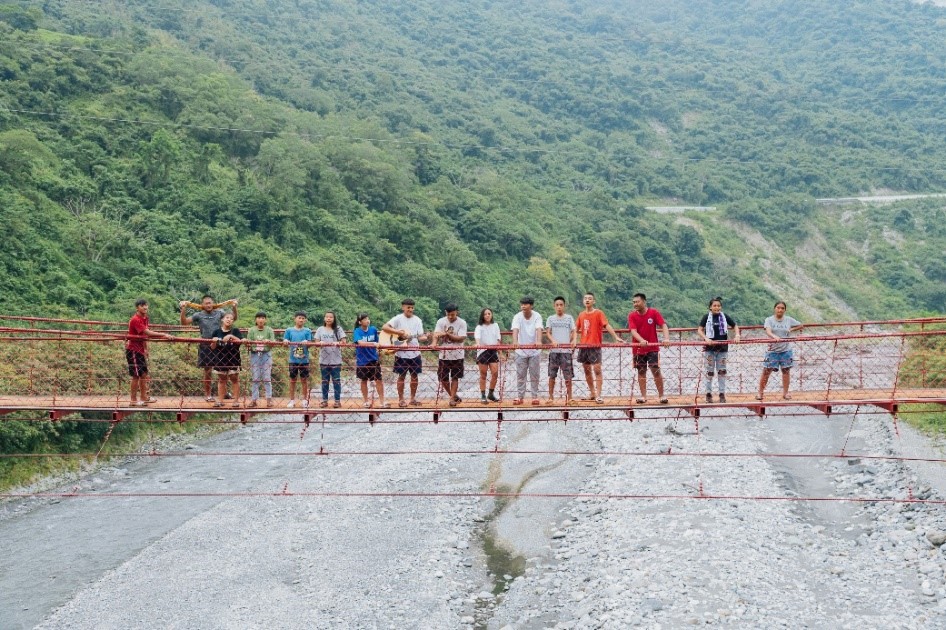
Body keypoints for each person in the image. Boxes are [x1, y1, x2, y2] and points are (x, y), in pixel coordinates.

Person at [180, 295, 238, 402]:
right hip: (205, 345)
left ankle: (224, 393)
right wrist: (183, 308)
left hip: (220, 345)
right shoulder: (199, 315)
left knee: (223, 370)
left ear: (213, 303)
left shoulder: (219, 312)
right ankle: (208, 395)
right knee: (207, 371)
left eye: (210, 303)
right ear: (202, 305)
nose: (208, 305)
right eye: (206, 303)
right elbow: (184, 322)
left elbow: (233, 318)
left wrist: (234, 307)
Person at [575, 292, 626, 404]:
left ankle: (599, 395)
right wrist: (572, 342)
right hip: (584, 346)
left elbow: (606, 325)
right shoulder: (581, 314)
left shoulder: (598, 313)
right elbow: (576, 329)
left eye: (590, 299)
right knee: (587, 370)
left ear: (594, 301)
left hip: (595, 345)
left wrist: (616, 337)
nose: (587, 300)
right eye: (585, 298)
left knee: (597, 369)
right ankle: (592, 393)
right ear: (583, 301)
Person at [125, 299, 173, 406]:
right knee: (136, 375)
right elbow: (147, 332)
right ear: (137, 308)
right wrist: (163, 334)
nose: (145, 307)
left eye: (146, 305)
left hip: (140, 349)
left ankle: (144, 397)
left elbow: (144, 335)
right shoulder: (135, 319)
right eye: (142, 306)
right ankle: (133, 400)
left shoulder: (145, 318)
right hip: (133, 350)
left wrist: (146, 349)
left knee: (144, 374)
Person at [382, 299, 429, 407]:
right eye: (408, 307)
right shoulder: (398, 318)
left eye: (412, 308)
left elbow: (421, 336)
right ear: (403, 307)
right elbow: (385, 327)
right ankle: (401, 399)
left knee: (414, 376)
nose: (410, 309)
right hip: (401, 353)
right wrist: (398, 332)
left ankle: (412, 399)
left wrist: (425, 337)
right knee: (401, 376)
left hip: (415, 352)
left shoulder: (417, 320)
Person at [628, 293, 670, 404]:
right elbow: (633, 331)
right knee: (641, 371)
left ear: (644, 301)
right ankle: (643, 396)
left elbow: (663, 325)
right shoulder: (632, 315)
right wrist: (641, 340)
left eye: (637, 302)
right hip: (638, 348)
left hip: (652, 347)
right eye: (634, 302)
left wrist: (666, 338)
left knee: (655, 370)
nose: (635, 304)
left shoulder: (653, 312)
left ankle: (662, 395)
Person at [757, 301, 804, 401]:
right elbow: (768, 330)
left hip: (786, 350)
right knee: (766, 371)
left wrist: (791, 330)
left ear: (785, 310)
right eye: (778, 308)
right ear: (775, 309)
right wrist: (774, 336)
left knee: (786, 371)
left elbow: (801, 325)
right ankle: (760, 393)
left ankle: (786, 393)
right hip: (772, 350)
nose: (780, 310)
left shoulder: (788, 320)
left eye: (782, 308)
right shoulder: (769, 320)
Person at [697, 297, 740, 403]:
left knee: (722, 371)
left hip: (722, 349)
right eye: (714, 306)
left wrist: (737, 335)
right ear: (710, 307)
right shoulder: (706, 317)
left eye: (719, 306)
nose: (717, 307)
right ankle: (708, 394)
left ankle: (722, 394)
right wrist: (706, 338)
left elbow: (735, 326)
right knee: (709, 372)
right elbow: (700, 330)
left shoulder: (724, 317)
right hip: (709, 348)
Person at [433, 304, 468, 407]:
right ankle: (453, 395)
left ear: (457, 312)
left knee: (455, 377)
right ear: (445, 313)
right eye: (448, 314)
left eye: (452, 315)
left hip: (458, 354)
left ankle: (452, 399)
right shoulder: (440, 321)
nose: (450, 317)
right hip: (444, 355)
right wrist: (434, 343)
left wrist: (447, 334)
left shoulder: (462, 323)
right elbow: (436, 334)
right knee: (442, 378)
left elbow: (461, 338)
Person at [511, 296, 544, 405]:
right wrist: (515, 341)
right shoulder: (517, 317)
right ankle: (520, 397)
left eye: (526, 304)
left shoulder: (537, 316)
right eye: (522, 304)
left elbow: (539, 328)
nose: (523, 306)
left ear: (531, 306)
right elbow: (515, 329)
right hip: (521, 351)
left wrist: (539, 341)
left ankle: (534, 396)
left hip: (534, 351)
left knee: (535, 374)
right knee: (521, 374)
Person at [544, 296, 576, 404]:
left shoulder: (569, 318)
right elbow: (548, 332)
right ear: (554, 306)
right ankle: (551, 397)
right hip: (554, 351)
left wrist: (572, 340)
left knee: (568, 375)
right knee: (552, 375)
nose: (559, 307)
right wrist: (553, 340)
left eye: (561, 305)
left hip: (566, 351)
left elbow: (574, 331)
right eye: (557, 305)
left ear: (564, 306)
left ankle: (570, 397)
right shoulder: (550, 318)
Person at [353, 312, 388, 408]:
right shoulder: (357, 331)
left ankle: (382, 401)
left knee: (378, 379)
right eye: (364, 319)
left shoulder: (373, 330)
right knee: (364, 380)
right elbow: (360, 343)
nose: (367, 321)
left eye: (368, 319)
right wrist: (373, 344)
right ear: (360, 322)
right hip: (362, 360)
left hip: (373, 358)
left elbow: (378, 342)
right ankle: (365, 401)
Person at [209, 312, 244, 408]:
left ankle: (236, 401)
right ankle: (220, 400)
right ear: (222, 319)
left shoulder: (235, 331)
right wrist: (214, 341)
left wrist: (231, 336)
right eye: (227, 318)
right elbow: (212, 347)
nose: (229, 320)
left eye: (231, 319)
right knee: (221, 380)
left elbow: (240, 341)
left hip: (233, 358)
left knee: (234, 379)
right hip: (220, 358)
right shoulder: (216, 332)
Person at [315, 311, 346, 408]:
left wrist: (338, 343)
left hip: (336, 359)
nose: (328, 318)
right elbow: (316, 342)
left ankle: (337, 401)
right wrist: (320, 342)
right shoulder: (320, 329)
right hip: (324, 359)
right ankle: (324, 401)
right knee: (324, 381)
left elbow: (344, 341)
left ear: (334, 319)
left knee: (336, 381)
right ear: (324, 318)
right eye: (327, 317)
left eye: (331, 317)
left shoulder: (338, 329)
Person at [283, 311, 313, 408]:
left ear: (305, 320)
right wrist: (286, 341)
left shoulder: (307, 331)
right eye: (299, 318)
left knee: (304, 380)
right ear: (295, 319)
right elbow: (285, 341)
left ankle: (305, 400)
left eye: (303, 318)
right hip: (293, 360)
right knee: (292, 380)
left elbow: (310, 343)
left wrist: (307, 342)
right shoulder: (289, 330)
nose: (301, 320)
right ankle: (292, 400)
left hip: (304, 360)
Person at [245, 311, 276, 408]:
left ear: (265, 320)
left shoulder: (269, 330)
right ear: (255, 320)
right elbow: (248, 343)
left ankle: (269, 399)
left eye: (263, 318)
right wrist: (248, 342)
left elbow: (273, 343)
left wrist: (269, 342)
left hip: (266, 354)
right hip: (255, 355)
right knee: (255, 378)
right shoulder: (252, 330)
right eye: (259, 318)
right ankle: (254, 400)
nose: (261, 320)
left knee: (267, 378)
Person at [474, 308, 502, 404]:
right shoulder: (479, 327)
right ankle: (483, 395)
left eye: (489, 313)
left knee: (495, 373)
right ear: (482, 316)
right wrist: (478, 344)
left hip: (493, 350)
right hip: (483, 351)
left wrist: (500, 352)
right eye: (485, 314)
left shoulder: (495, 325)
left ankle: (491, 393)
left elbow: (498, 339)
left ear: (491, 315)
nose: (487, 315)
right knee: (483, 374)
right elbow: (477, 337)